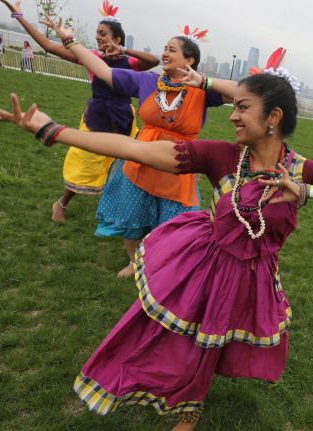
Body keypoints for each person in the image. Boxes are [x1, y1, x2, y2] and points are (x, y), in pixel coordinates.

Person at [0, 70, 313, 431]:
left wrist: (305, 191)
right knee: (171, 335)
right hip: (205, 262)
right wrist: (51, 129)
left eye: (243, 107)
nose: (233, 115)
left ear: (272, 117)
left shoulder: (301, 169)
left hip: (254, 273)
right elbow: (132, 149)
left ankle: (193, 404)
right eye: (234, 106)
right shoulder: (221, 156)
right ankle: (183, 404)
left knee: (217, 340)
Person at [47, 18, 237, 278]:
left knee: (174, 225)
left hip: (178, 164)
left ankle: (160, 266)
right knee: (131, 215)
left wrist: (204, 82)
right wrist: (71, 41)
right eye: (165, 48)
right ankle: (135, 261)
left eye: (172, 50)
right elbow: (103, 71)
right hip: (140, 158)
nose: (165, 53)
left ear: (189, 60)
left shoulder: (202, 90)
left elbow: (241, 93)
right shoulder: (147, 81)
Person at [0, 0, 159, 223]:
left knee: (128, 165)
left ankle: (126, 211)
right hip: (97, 118)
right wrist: (18, 15)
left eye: (103, 33)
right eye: (97, 33)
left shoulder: (130, 62)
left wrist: (123, 50)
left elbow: (153, 61)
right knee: (86, 162)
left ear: (117, 38)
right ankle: (62, 202)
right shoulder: (90, 56)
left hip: (123, 119)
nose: (98, 37)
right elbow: (47, 46)